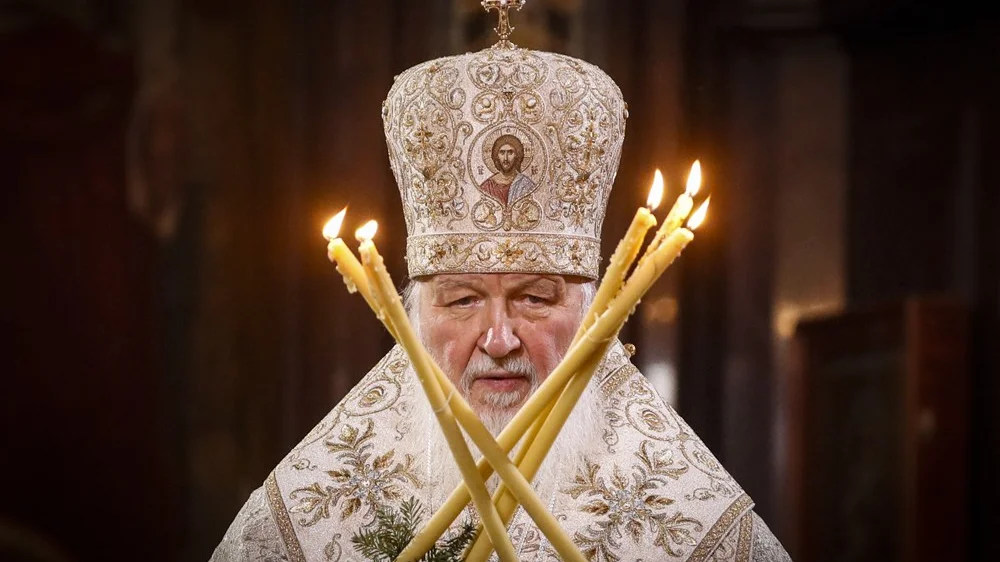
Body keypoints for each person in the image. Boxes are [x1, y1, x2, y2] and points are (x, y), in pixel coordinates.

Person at [211, 8, 792, 561]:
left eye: (534, 299)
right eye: (462, 300)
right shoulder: (309, 515)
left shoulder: (692, 521)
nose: (498, 340)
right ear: (413, 315)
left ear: (593, 312)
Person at [478, 135, 537, 206]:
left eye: (510, 152)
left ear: (517, 155)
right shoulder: (487, 187)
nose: (505, 158)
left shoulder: (526, 185)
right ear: (496, 156)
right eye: (502, 153)